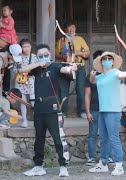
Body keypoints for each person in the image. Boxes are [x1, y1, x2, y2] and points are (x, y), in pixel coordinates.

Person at [21, 44, 77, 177]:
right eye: (40, 56)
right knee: (39, 139)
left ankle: (63, 166)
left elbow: (64, 70)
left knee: (58, 138)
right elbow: (23, 70)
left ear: (50, 54)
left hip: (53, 107)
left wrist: (71, 68)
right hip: (39, 108)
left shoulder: (56, 66)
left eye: (46, 55)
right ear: (37, 57)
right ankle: (38, 166)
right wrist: (38, 63)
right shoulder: (37, 69)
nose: (43, 58)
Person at [89, 52, 126, 176]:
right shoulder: (100, 76)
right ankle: (103, 163)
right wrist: (92, 75)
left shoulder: (115, 72)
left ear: (113, 62)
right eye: (105, 59)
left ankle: (119, 165)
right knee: (103, 138)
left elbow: (121, 75)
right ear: (101, 62)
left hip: (113, 110)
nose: (107, 60)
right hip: (102, 110)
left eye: (109, 59)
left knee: (113, 138)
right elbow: (92, 81)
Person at [55, 21, 90, 118]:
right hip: (66, 66)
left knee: (80, 89)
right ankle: (63, 111)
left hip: (79, 66)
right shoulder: (62, 40)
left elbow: (88, 53)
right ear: (65, 29)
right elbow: (56, 55)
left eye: (73, 27)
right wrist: (64, 56)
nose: (71, 29)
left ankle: (82, 111)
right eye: (69, 27)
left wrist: (78, 53)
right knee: (64, 89)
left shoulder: (80, 39)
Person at [85, 50, 113, 166]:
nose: (103, 62)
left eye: (106, 59)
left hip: (107, 108)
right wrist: (87, 112)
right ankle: (91, 157)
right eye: (101, 60)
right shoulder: (91, 76)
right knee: (92, 134)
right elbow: (87, 95)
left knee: (107, 134)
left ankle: (107, 156)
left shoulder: (111, 74)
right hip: (95, 109)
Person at [13, 39, 38, 127]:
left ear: (31, 47)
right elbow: (14, 69)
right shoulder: (18, 57)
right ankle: (24, 121)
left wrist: (30, 71)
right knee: (22, 101)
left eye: (28, 46)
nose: (26, 49)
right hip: (21, 81)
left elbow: (37, 69)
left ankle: (37, 119)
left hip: (30, 80)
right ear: (21, 48)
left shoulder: (34, 57)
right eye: (24, 47)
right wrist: (20, 70)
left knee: (33, 100)